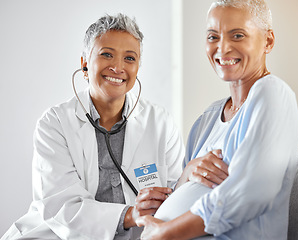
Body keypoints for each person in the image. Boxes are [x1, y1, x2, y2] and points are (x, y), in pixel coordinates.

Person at [1, 13, 184, 240]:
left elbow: (176, 195)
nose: (118, 67)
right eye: (107, 54)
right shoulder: (54, 123)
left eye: (129, 58)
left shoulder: (160, 123)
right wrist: (130, 214)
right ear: (85, 63)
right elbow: (61, 207)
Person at [136, 0, 298, 239]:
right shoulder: (207, 119)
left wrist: (164, 232)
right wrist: (183, 178)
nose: (222, 48)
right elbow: (188, 195)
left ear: (268, 41)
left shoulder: (272, 93)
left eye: (237, 35)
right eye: (213, 37)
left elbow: (251, 193)